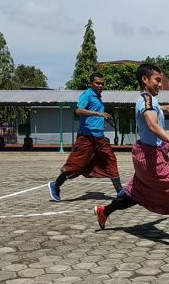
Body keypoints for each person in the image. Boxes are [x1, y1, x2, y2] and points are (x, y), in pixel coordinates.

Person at [93, 63, 169, 241]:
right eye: (157, 80)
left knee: (136, 192)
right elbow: (152, 124)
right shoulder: (146, 100)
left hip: (146, 155)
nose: (160, 84)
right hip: (151, 160)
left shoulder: (150, 99)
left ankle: (104, 211)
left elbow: (162, 109)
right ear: (145, 79)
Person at [48, 72, 123, 201]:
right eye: (97, 83)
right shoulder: (87, 94)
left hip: (99, 138)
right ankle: (56, 185)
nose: (100, 85)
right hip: (86, 138)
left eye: (102, 83)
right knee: (76, 165)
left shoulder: (98, 97)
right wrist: (98, 114)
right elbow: (77, 111)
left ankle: (120, 193)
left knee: (111, 160)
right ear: (90, 84)